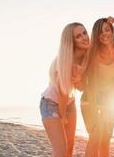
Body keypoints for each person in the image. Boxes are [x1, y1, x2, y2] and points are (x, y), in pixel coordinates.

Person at [39, 22, 91, 157]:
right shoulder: (64, 59)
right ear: (71, 41)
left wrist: (79, 78)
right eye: (78, 36)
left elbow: (80, 88)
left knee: (70, 145)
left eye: (84, 33)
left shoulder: (86, 57)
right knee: (60, 151)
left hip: (69, 102)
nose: (84, 37)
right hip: (51, 104)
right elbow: (62, 90)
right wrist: (62, 116)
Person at [80, 17, 114, 157]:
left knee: (105, 142)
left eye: (108, 29)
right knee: (95, 139)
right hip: (91, 101)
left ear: (112, 31)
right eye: (101, 31)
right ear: (96, 35)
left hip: (109, 102)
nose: (105, 34)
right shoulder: (91, 51)